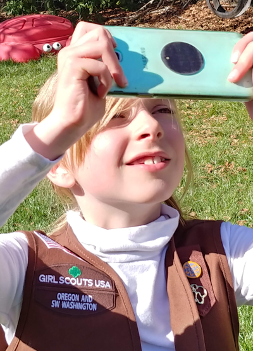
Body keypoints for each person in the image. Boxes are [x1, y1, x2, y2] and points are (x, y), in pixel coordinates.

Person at [1, 21, 253, 351]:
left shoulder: (222, 252)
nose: (151, 126)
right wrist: (57, 127)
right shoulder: (26, 264)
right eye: (115, 117)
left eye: (162, 109)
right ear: (60, 164)